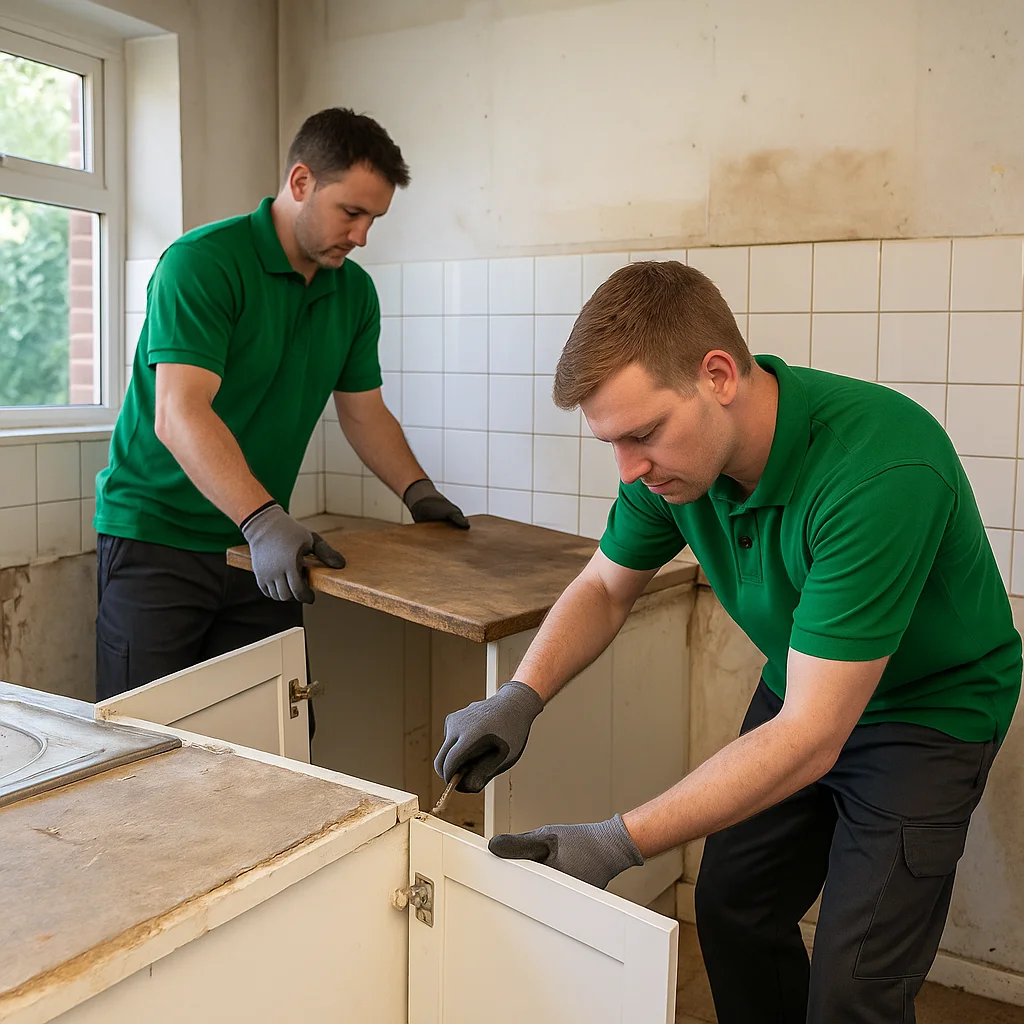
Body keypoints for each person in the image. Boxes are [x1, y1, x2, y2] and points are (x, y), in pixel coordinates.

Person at [433, 260, 1021, 1023]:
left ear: (717, 376)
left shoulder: (880, 469)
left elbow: (812, 737)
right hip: (804, 686)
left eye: (642, 434)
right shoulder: (673, 471)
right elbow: (605, 587)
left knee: (855, 986)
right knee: (733, 904)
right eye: (612, 443)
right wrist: (521, 695)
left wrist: (616, 841)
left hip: (927, 714)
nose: (630, 469)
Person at [94, 107, 467, 703]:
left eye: (374, 218)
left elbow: (364, 412)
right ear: (300, 183)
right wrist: (263, 519)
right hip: (158, 541)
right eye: (351, 211)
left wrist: (417, 492)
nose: (362, 235)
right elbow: (179, 412)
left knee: (276, 739)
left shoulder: (354, 292)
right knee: (147, 744)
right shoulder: (204, 263)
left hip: (262, 549)